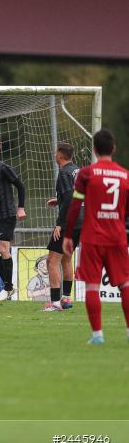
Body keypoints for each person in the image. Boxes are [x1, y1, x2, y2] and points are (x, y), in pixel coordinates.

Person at [63, 129, 129, 345]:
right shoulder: (125, 175)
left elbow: (75, 206)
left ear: (94, 149)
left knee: (92, 286)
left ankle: (98, 335)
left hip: (92, 237)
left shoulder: (86, 173)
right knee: (125, 285)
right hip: (117, 237)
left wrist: (68, 234)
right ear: (114, 149)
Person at [0, 138, 27, 301]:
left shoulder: (3, 168)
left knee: (3, 248)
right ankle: (9, 286)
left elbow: (20, 186)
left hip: (7, 214)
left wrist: (21, 207)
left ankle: (8, 289)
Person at [43, 142, 80, 312]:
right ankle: (65, 299)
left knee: (52, 261)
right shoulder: (76, 170)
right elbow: (76, 195)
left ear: (60, 155)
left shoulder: (64, 173)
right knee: (66, 257)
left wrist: (60, 223)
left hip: (69, 221)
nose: (53, 154)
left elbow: (70, 199)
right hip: (81, 220)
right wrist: (58, 200)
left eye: (55, 152)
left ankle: (55, 303)